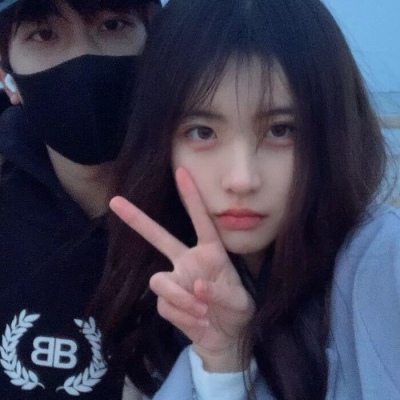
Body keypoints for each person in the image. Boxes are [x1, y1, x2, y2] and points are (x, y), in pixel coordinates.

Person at [94, 0, 400, 398]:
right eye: (202, 132)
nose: (241, 179)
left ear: (331, 133)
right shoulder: (163, 294)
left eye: (281, 130)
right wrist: (223, 362)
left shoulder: (382, 265)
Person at [0, 0, 159, 398]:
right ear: (8, 77)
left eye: (113, 25)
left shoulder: (225, 203)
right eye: (44, 34)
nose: (82, 56)